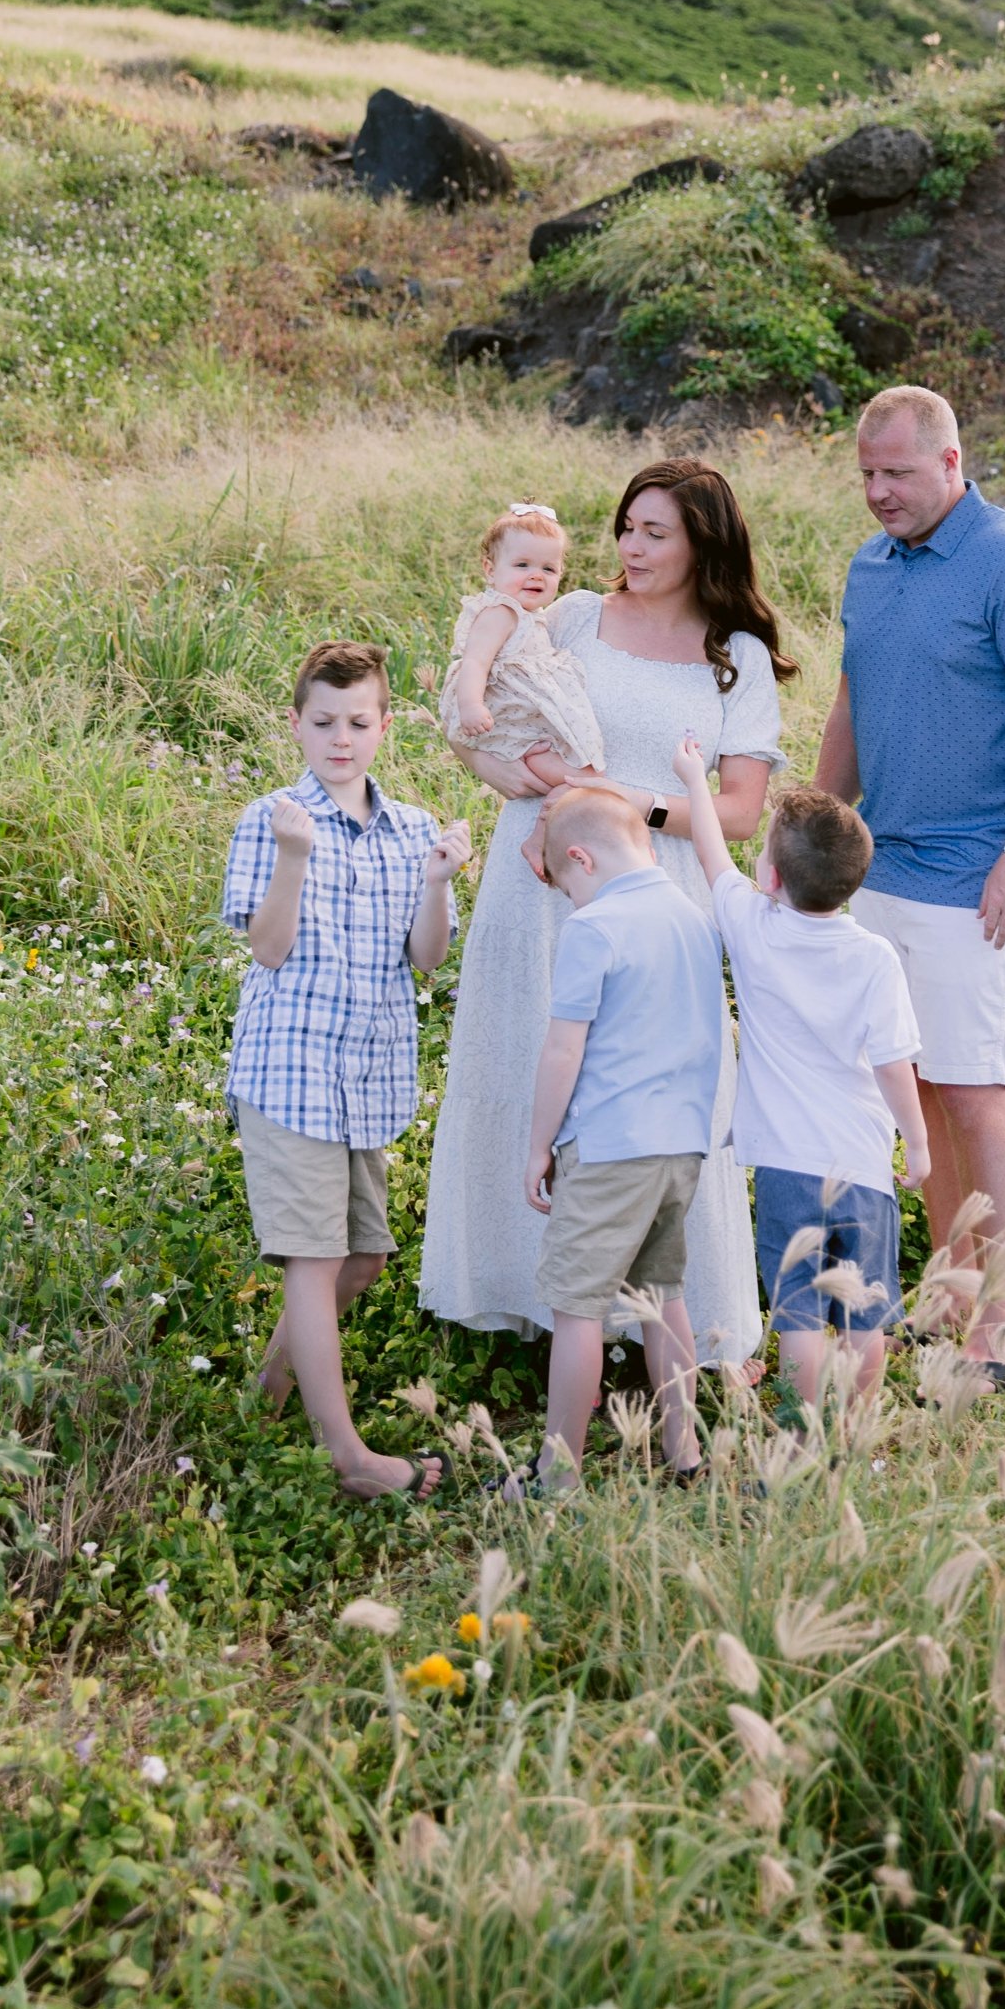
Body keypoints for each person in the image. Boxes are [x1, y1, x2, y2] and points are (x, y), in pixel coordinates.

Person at [421, 461, 790, 1369]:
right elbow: (489, 709)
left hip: (663, 893)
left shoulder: (733, 653)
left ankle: (665, 1315)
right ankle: (521, 1290)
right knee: (532, 1059)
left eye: (656, 531)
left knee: (658, 1098)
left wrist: (623, 799)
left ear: (704, 541)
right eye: (627, 525)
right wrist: (503, 772)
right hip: (544, 875)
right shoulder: (574, 614)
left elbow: (739, 811)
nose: (631, 545)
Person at [815, 387, 1005, 1383]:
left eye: (895, 473)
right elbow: (853, 697)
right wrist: (813, 823)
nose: (878, 493)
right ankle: (948, 1284)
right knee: (920, 1092)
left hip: (976, 876)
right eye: (865, 475)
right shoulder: (872, 564)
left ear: (949, 461)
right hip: (880, 867)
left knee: (976, 1090)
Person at [222, 638, 472, 1499]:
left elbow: (427, 956)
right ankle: (349, 1456)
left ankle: (265, 1397)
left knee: (361, 1259)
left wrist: (438, 880)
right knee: (314, 1263)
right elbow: (268, 945)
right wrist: (293, 859)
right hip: (290, 1070)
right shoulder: (271, 818)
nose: (341, 738)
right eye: (323, 722)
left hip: (368, 1077)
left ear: (383, 726)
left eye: (357, 722)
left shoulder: (408, 829)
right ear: (296, 724)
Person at [673, 736, 930, 1424]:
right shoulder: (874, 956)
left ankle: (797, 1438)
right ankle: (858, 1427)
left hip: (788, 1165)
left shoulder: (753, 927)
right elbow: (894, 1062)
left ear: (775, 879)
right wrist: (920, 1142)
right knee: (866, 1313)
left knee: (798, 1318)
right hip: (865, 1166)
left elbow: (707, 849)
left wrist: (695, 777)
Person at [515, 783, 722, 1491]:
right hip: (680, 1148)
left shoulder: (595, 927)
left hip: (609, 1148)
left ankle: (557, 1475)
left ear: (581, 857)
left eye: (567, 883)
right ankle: (683, 1448)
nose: (572, 899)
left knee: (576, 1310)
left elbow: (563, 1050)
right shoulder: (695, 918)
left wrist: (538, 1145)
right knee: (662, 1297)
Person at [440, 502, 605, 791]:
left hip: (529, 721)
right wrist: (471, 705)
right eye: (522, 565)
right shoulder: (501, 613)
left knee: (576, 771)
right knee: (579, 777)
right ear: (490, 570)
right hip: (508, 721)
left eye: (548, 568)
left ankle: (553, 816)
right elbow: (475, 662)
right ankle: (572, 799)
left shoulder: (532, 615)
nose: (536, 575)